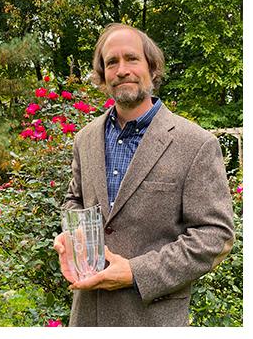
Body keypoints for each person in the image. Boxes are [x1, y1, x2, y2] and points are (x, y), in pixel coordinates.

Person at [54, 23, 234, 327]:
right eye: (112, 62)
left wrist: (137, 272)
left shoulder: (196, 144)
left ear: (152, 67)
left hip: (152, 319)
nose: (122, 69)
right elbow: (75, 199)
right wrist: (72, 238)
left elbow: (216, 236)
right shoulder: (85, 138)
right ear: (103, 74)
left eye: (132, 59)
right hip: (86, 318)